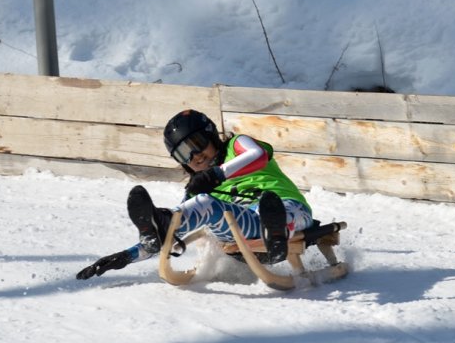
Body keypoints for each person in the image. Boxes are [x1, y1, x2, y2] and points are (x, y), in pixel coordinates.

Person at [76, 109, 313, 280]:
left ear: (211, 135)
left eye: (197, 143)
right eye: (184, 154)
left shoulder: (236, 146)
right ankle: (160, 223)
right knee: (201, 205)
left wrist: (218, 175)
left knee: (273, 209)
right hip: (243, 226)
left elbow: (258, 155)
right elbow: (177, 235)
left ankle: (276, 230)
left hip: (288, 208)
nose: (195, 156)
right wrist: (128, 256)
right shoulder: (198, 187)